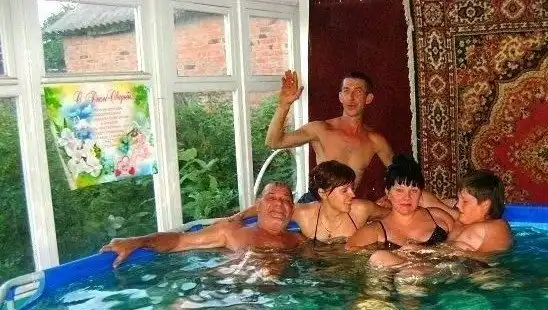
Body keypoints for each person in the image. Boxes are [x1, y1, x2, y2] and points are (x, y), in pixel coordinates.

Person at [100, 182, 304, 267]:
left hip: (276, 299)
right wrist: (137, 241)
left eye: (286, 200)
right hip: (226, 291)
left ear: (292, 208)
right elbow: (180, 241)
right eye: (272, 198)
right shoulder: (231, 231)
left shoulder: (298, 241)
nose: (279, 204)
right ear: (257, 206)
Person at [265, 70, 394, 200]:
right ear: (340, 97)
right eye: (346, 91)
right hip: (316, 202)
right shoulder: (321, 129)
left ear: (368, 98)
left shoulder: (375, 141)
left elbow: (399, 173)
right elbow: (273, 142)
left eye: (358, 92)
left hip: (346, 205)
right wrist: (284, 105)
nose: (351, 97)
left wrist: (388, 199)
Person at [368, 169, 513, 267]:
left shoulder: (496, 227)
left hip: (465, 275)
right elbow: (426, 199)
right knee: (379, 257)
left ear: (485, 205)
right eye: (458, 199)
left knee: (406, 273)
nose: (458, 205)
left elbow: (492, 262)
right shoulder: (460, 221)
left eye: (465, 201)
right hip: (437, 266)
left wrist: (426, 251)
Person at [234, 161, 390, 244]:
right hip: (316, 268)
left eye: (352, 188)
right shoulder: (304, 213)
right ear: (323, 193)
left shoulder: (361, 209)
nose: (353, 194)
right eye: (345, 190)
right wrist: (238, 217)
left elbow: (394, 217)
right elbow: (271, 207)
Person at [346, 155, 454, 250]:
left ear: (421, 194)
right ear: (388, 193)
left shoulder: (438, 216)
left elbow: (461, 242)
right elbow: (349, 253)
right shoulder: (375, 231)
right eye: (399, 190)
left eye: (414, 190)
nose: (407, 197)